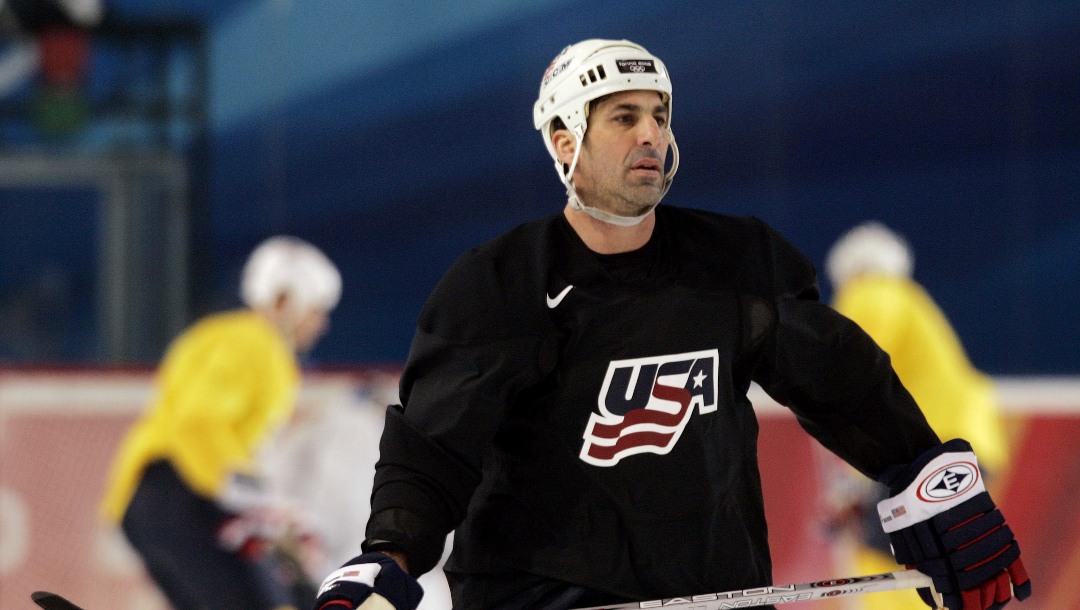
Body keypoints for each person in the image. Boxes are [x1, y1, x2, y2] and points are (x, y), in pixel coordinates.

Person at [311, 39, 1030, 610]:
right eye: (623, 117)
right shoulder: (497, 286)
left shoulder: (734, 262)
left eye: (659, 114)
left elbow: (842, 379)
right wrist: (390, 556)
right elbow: (433, 450)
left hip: (721, 593)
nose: (650, 134)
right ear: (565, 141)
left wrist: (927, 474)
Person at [100, 235, 341, 610]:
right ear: (284, 300)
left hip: (159, 500)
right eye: (317, 309)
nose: (322, 323)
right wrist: (257, 497)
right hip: (184, 495)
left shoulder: (222, 335)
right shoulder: (257, 345)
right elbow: (198, 424)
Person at [822, 221, 1012, 610]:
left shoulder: (871, 294)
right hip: (967, 445)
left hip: (931, 452)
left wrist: (847, 484)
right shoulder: (912, 301)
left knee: (888, 555)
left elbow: (851, 380)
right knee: (929, 558)